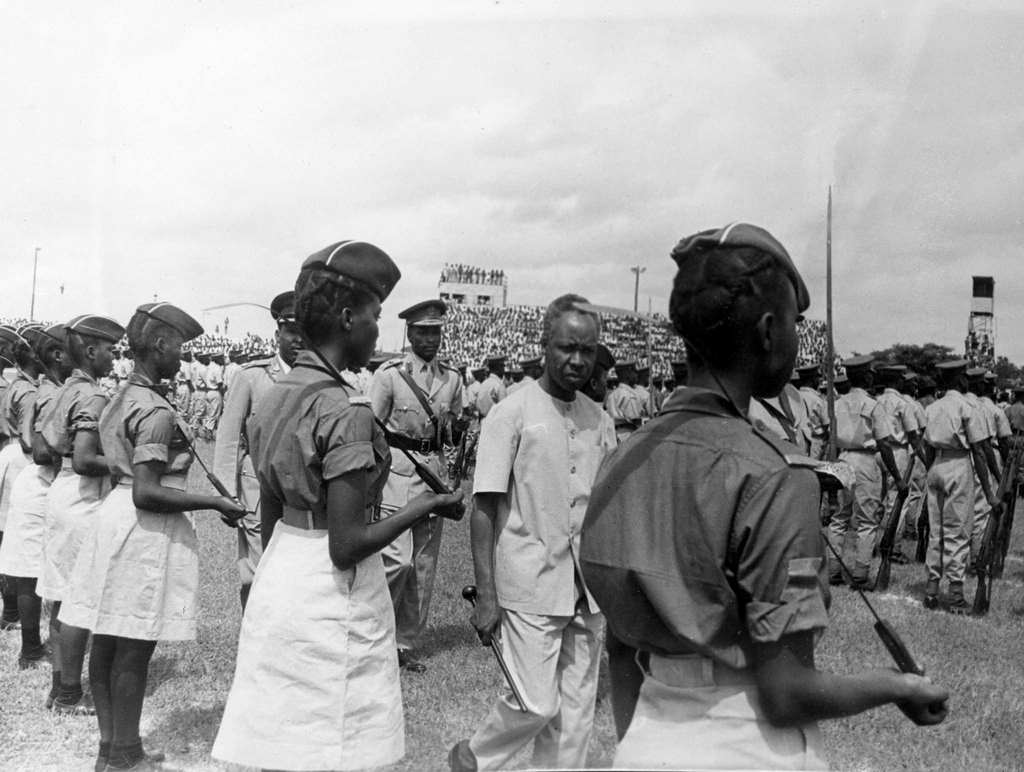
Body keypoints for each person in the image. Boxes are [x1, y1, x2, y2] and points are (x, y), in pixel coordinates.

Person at [580, 223, 948, 770]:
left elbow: (620, 650)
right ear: (770, 331)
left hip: (646, 739)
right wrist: (897, 686)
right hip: (745, 743)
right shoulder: (773, 473)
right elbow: (785, 695)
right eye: (797, 325)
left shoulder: (622, 459)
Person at [213, 240, 462, 771]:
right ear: (349, 318)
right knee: (337, 742)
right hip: (334, 589)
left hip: (283, 572)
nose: (377, 329)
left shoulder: (276, 391)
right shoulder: (345, 410)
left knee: (287, 739)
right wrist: (431, 505)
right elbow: (347, 546)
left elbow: (273, 509)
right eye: (374, 315)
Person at [58, 303, 245, 772]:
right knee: (134, 646)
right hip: (143, 526)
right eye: (180, 346)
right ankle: (123, 755)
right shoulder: (154, 408)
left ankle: (113, 749)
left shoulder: (123, 395)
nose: (182, 356)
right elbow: (147, 491)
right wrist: (215, 502)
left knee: (109, 637)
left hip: (115, 516)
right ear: (160, 344)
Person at [449, 294, 617, 772]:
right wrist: (486, 593)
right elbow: (484, 508)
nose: (577, 360)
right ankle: (474, 757)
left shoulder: (598, 419)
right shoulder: (512, 413)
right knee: (535, 703)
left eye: (587, 350)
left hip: (587, 589)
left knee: (576, 719)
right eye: (567, 347)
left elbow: (606, 505)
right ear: (544, 344)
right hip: (529, 583)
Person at [36, 314, 125, 714]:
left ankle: (60, 685)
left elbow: (46, 444)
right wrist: (126, 461)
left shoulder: (62, 388)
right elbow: (88, 459)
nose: (114, 356)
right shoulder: (93, 395)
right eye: (109, 349)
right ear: (91, 351)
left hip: (61, 489)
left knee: (60, 594)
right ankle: (70, 692)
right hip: (83, 495)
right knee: (79, 597)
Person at [369, 298, 464, 672]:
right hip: (397, 474)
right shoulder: (391, 375)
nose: (430, 339)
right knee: (396, 561)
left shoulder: (452, 378)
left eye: (436, 332)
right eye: (423, 332)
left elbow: (454, 429)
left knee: (423, 567)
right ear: (410, 334)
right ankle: (376, 637)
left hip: (433, 476)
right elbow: (372, 428)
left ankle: (402, 646)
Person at [213, 291, 303, 610]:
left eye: (306, 332)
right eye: (292, 332)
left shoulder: (318, 379)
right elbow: (226, 439)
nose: (299, 340)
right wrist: (227, 494)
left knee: (295, 573)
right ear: (278, 334)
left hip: (303, 492)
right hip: (258, 488)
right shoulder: (252, 376)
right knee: (257, 572)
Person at [0, 323, 71, 668]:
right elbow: (32, 442)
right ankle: (31, 648)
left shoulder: (47, 388)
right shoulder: (44, 392)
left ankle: (36, 644)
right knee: (30, 566)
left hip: (39, 475)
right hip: (39, 475)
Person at [921, 360, 998, 614]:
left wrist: (930, 474)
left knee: (937, 530)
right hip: (958, 464)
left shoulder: (933, 407)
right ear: (961, 380)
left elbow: (927, 447)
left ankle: (931, 590)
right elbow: (977, 448)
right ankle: (955, 595)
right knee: (958, 530)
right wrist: (988, 492)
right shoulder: (967, 406)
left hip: (936, 465)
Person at [827, 356, 903, 588]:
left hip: (841, 458)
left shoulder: (836, 403)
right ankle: (860, 574)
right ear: (868, 376)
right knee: (867, 520)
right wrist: (897, 477)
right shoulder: (872, 405)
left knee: (839, 518)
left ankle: (833, 570)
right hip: (865, 460)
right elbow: (884, 444)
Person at [0, 325, 30, 630]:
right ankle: (10, 612)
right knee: (8, 535)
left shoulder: (10, 386)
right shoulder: (15, 388)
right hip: (13, 458)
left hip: (7, 455)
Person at [796, 363, 830, 459]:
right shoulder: (817, 400)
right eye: (817, 378)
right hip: (815, 444)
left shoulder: (793, 396)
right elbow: (827, 424)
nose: (818, 381)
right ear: (812, 380)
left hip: (798, 442)